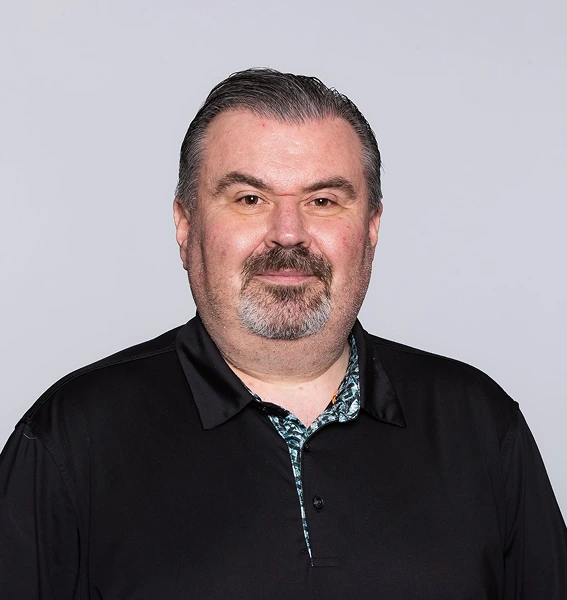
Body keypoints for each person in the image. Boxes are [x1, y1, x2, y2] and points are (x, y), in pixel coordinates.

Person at [1, 68, 566, 599]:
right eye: (250, 199)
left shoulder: (480, 425)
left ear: (371, 228)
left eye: (323, 201)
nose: (288, 233)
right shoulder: (69, 440)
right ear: (185, 225)